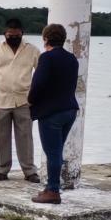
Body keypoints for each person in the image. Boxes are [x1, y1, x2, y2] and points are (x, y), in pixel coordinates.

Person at [0, 18, 41, 183]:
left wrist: (38, 96)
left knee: (25, 136)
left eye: (17, 35)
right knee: (1, 137)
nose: (13, 37)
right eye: (10, 35)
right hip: (0, 99)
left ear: (22, 33)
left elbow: (41, 73)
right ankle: (2, 170)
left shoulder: (33, 50)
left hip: (24, 100)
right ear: (5, 33)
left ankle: (29, 171)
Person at [28, 23, 79, 204]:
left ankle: (53, 191)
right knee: (57, 151)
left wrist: (31, 100)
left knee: (53, 152)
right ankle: (51, 187)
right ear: (63, 39)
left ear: (46, 39)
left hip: (51, 113)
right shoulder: (72, 59)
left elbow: (38, 84)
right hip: (70, 110)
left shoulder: (47, 58)